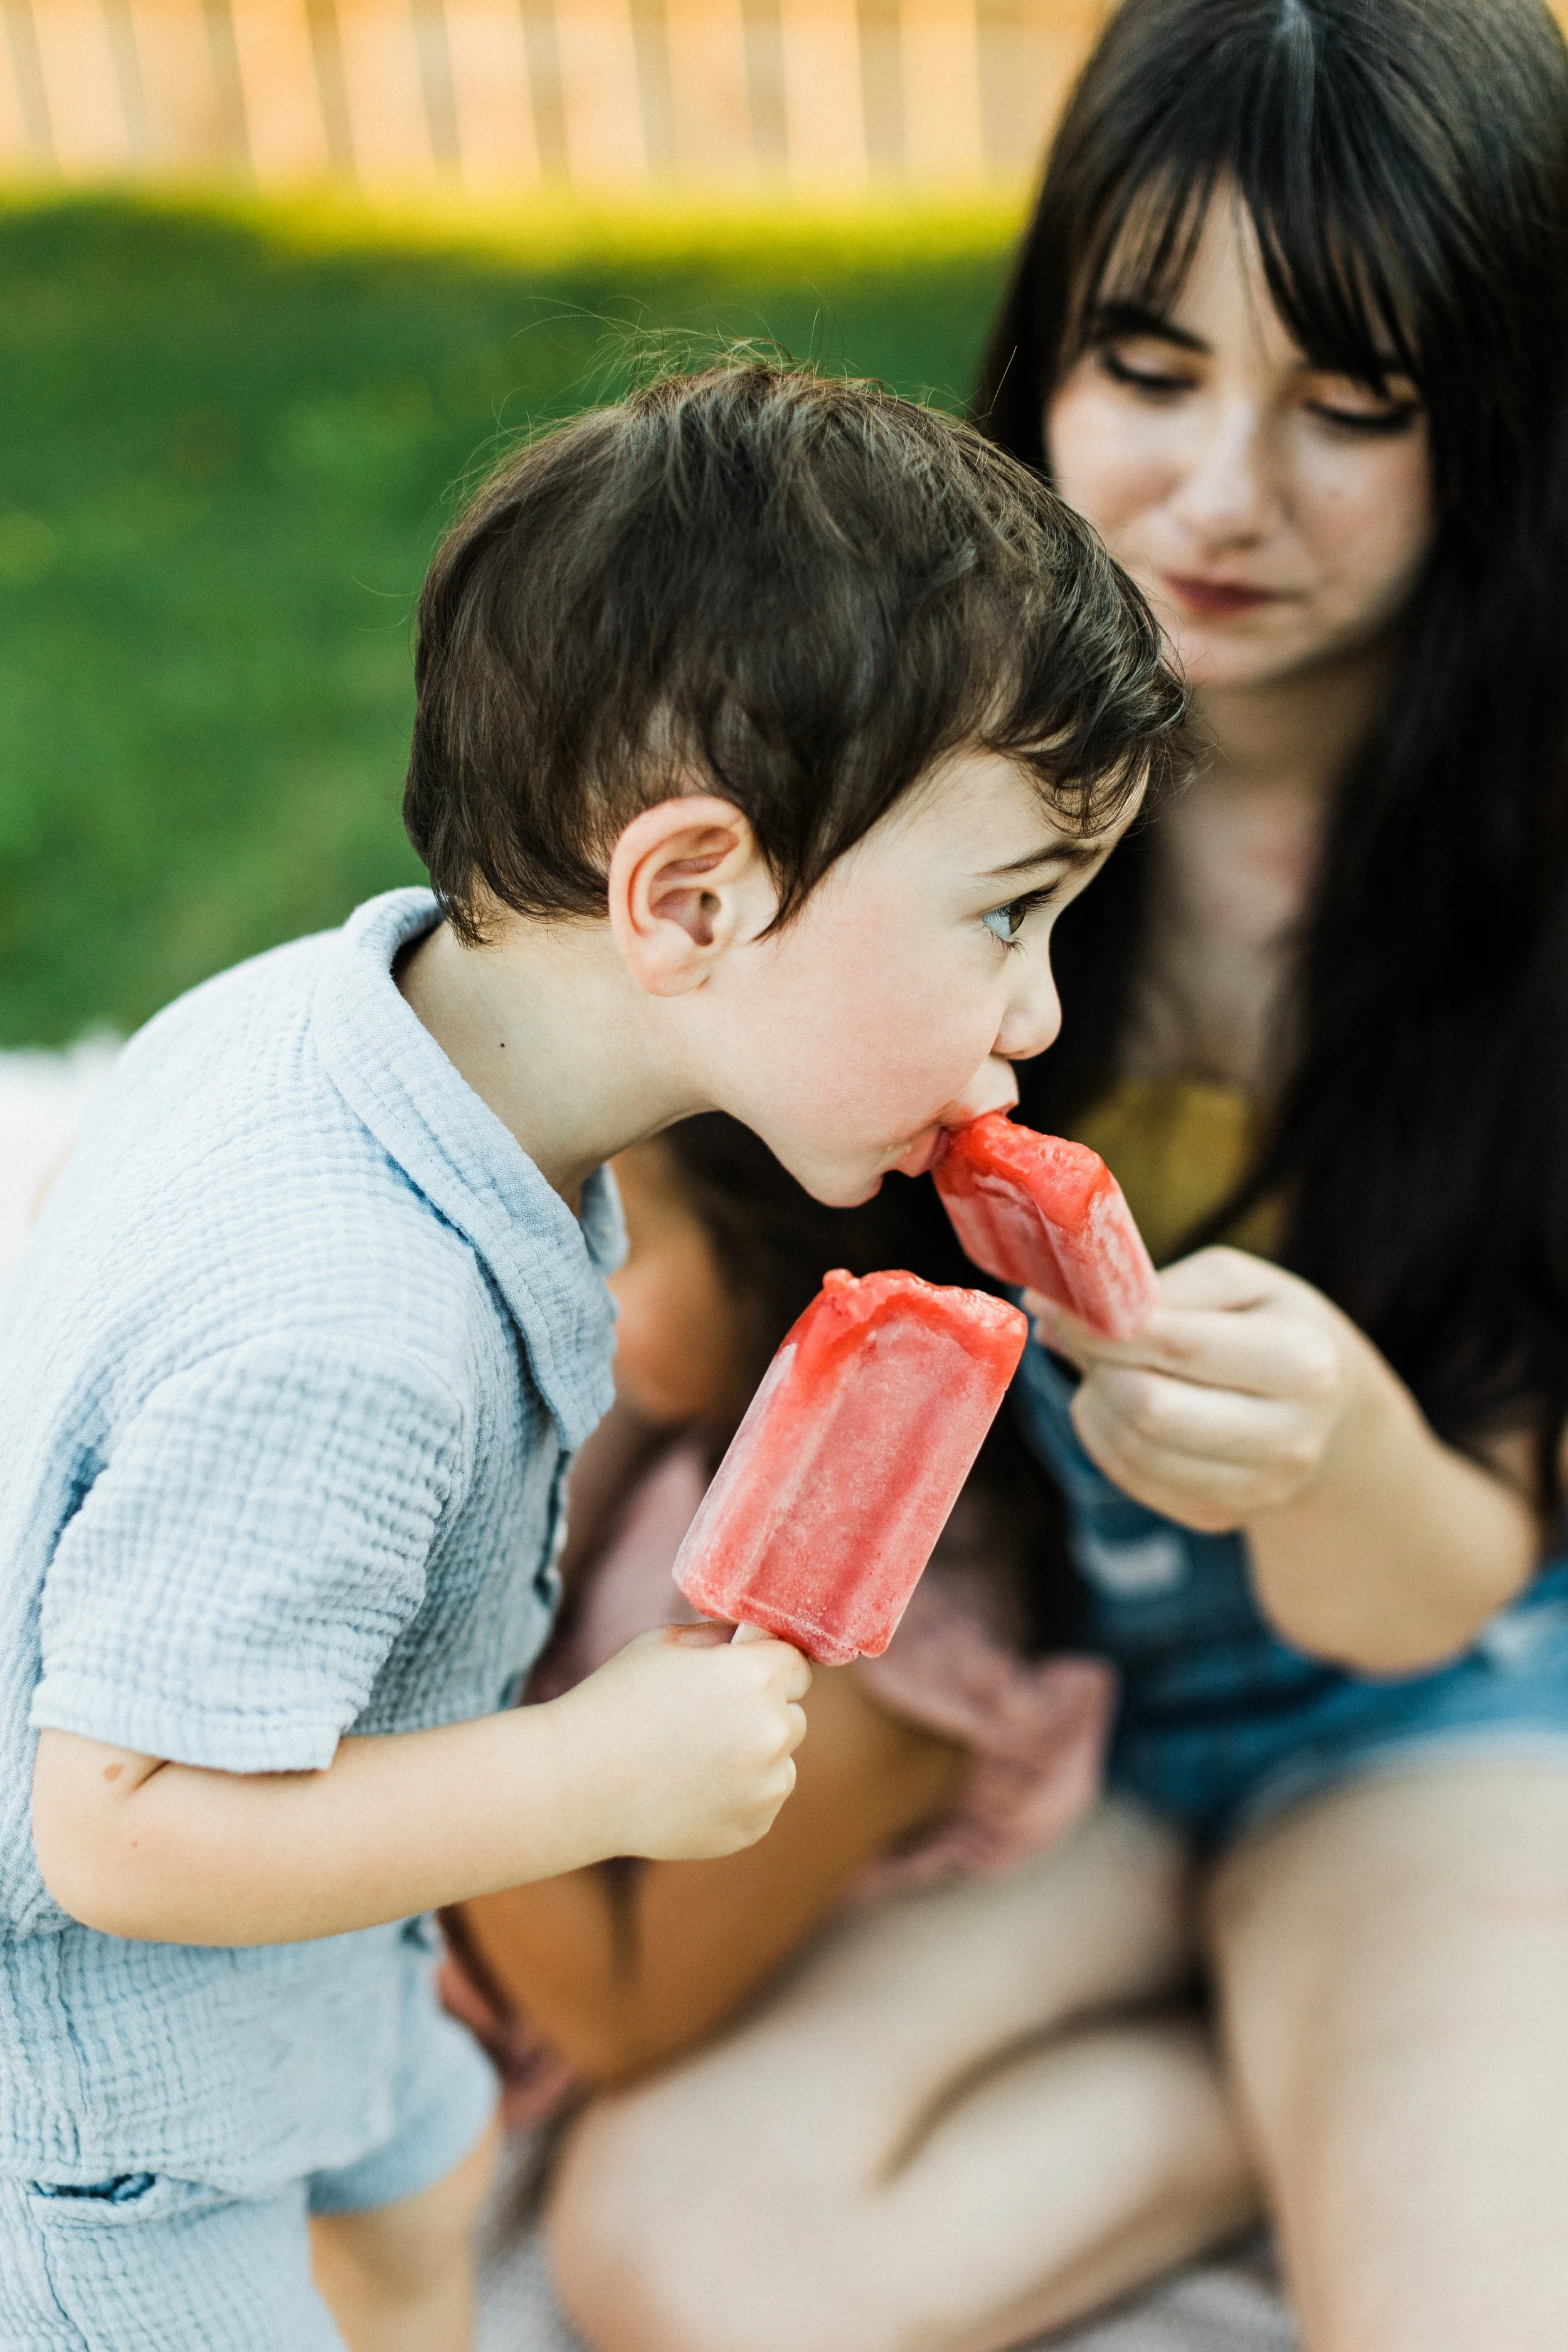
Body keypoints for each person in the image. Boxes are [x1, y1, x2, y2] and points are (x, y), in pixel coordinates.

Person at [545, 8, 1568, 2351]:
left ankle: (1382, 2030)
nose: (1225, 491)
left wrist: (1341, 1448)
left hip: (1423, 1711)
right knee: (672, 2255)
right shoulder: (875, 783)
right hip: (1052, 1720)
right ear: (1043, 365)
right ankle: (1264, 2077)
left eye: (1355, 404)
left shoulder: (1531, 897)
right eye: (1147, 363)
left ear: (1505, 417)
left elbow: (1449, 1585)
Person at [0, 359, 1182, 2352]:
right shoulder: (346, 1319)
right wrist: (584, 1769)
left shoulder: (359, 1025)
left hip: (335, 1986)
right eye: (1005, 916)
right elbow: (112, 1826)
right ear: (691, 893)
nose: (1039, 1012)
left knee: (429, 2172)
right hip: (121, 2103)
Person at [439, 1115, 1115, 2126]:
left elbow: (617, 2016)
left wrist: (418, 1692)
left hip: (540, 1992)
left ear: (791, 1268)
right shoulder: (690, 1400)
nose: (566, 1276)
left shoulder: (891, 1659)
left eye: (620, 1241)